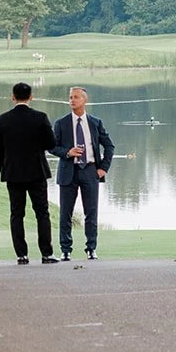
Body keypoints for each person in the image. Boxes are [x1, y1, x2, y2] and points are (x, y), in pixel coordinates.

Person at [0, 83, 57, 264]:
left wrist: (4, 168)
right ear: (31, 97)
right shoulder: (40, 118)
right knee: (42, 213)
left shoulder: (2, 120)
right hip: (37, 171)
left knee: (16, 213)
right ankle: (46, 253)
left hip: (13, 173)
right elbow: (51, 143)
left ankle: (21, 254)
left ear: (13, 97)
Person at [51, 88, 114, 260]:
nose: (72, 100)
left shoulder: (95, 122)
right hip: (68, 172)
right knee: (65, 213)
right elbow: (52, 147)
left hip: (90, 171)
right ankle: (65, 250)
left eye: (76, 97)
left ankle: (91, 248)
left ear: (85, 100)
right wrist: (68, 152)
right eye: (70, 97)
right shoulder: (61, 123)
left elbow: (109, 146)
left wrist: (103, 168)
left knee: (91, 213)